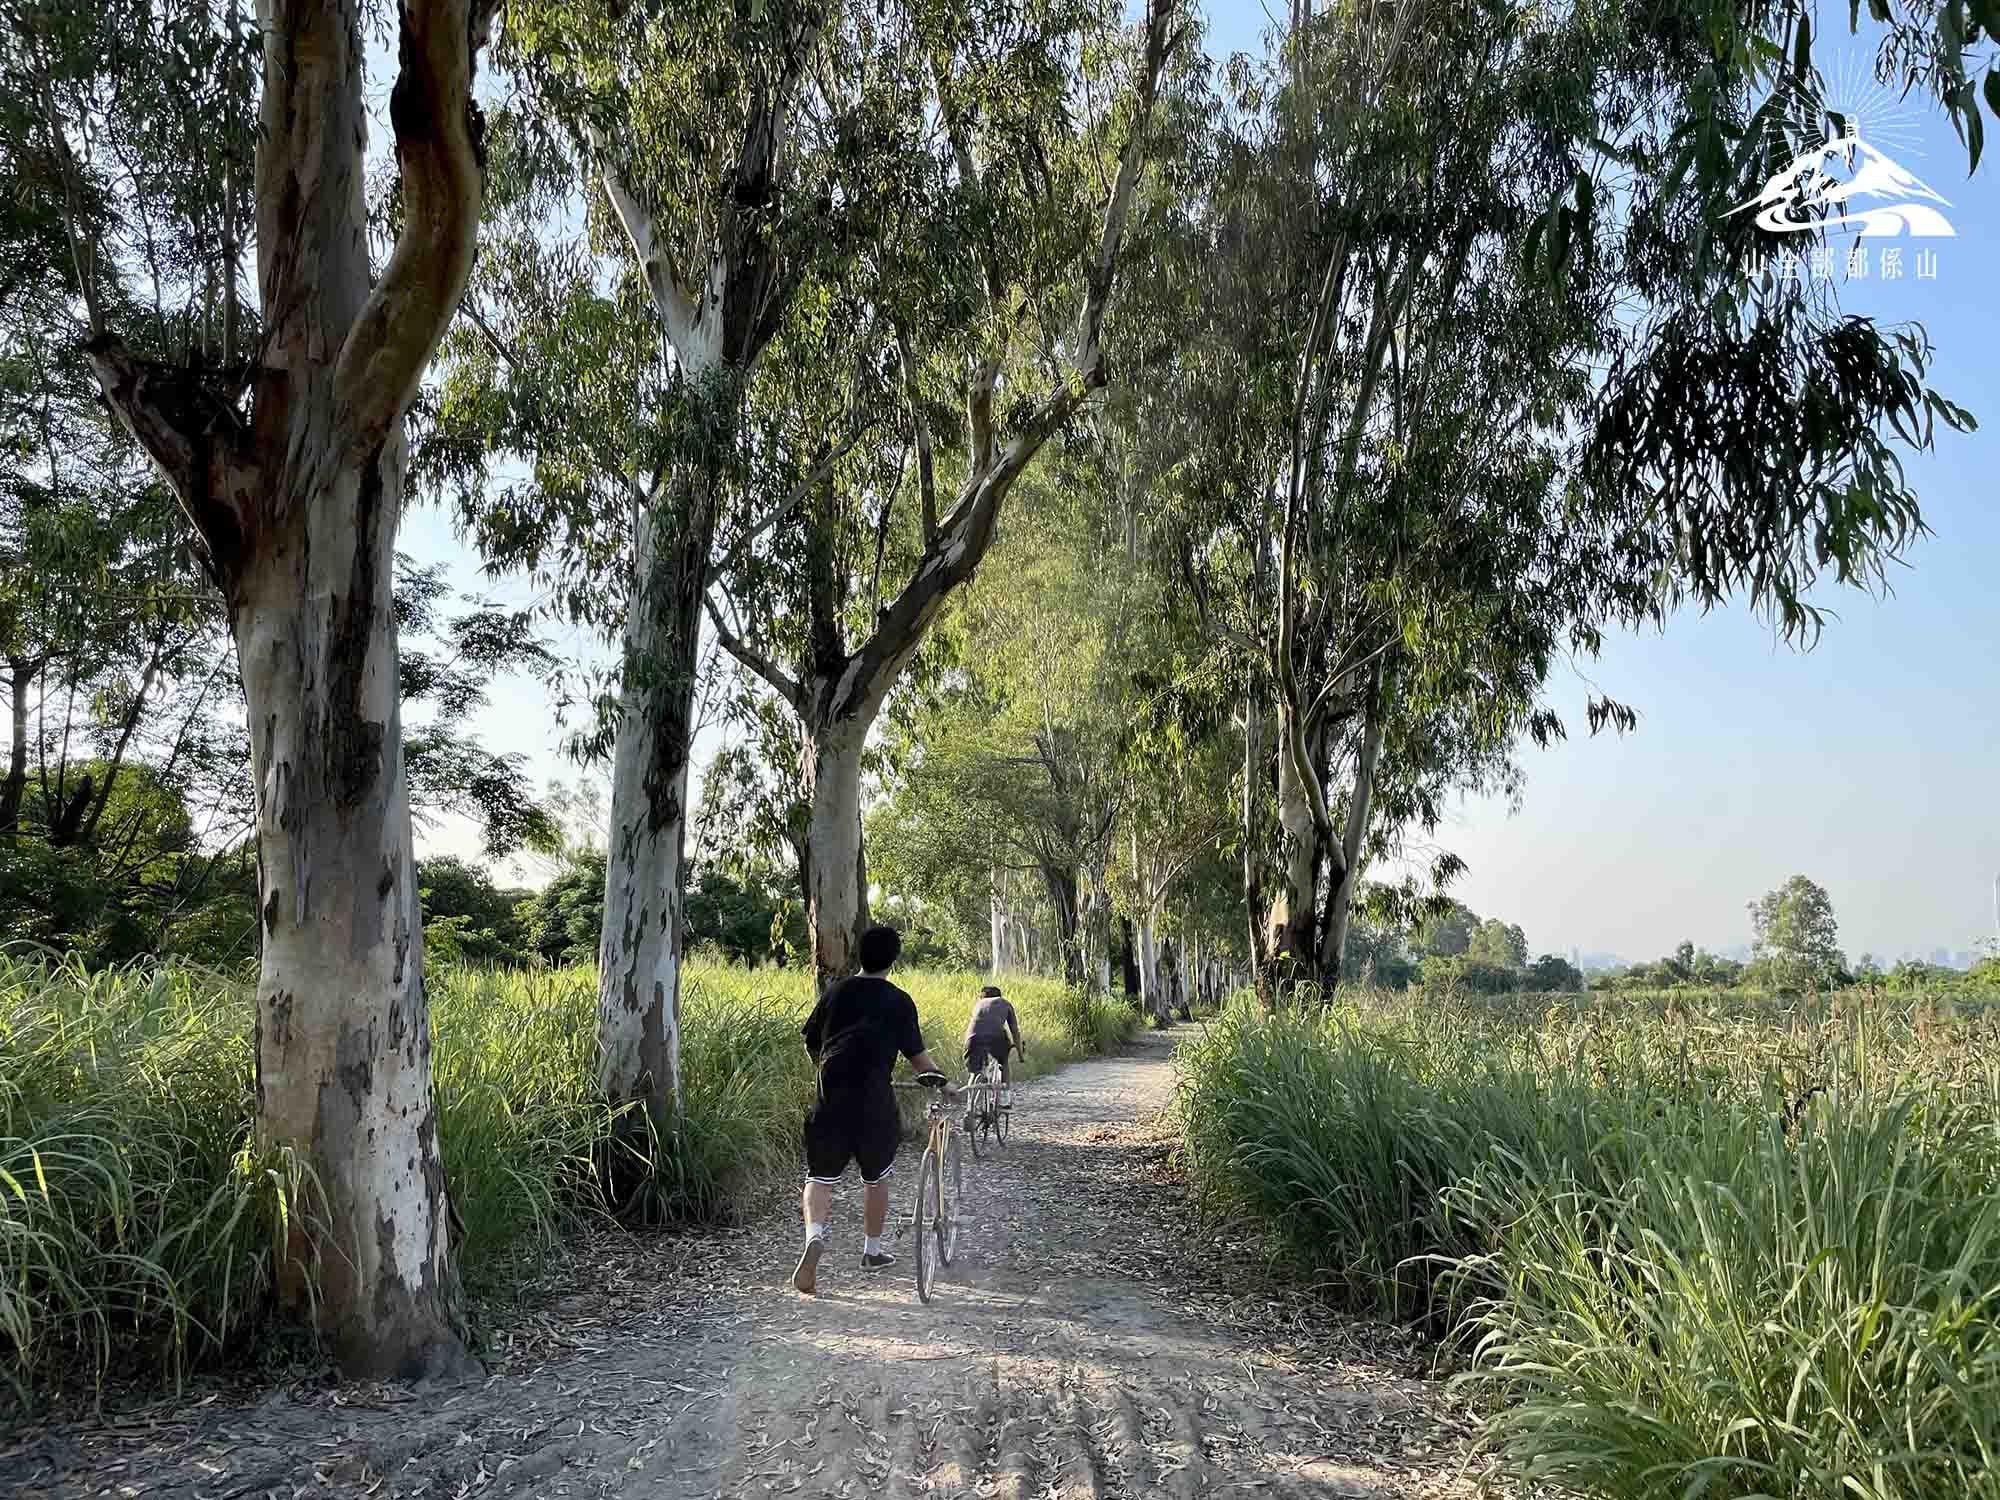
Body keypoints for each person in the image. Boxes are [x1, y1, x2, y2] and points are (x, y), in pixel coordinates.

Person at [793, 924, 947, 1295]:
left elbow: (811, 1044)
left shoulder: (835, 992)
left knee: (819, 1177)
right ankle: (872, 1252)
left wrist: (826, 1069)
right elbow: (920, 1062)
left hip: (830, 1096)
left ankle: (814, 1237)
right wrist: (945, 1083)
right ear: (894, 960)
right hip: (874, 1099)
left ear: (858, 954)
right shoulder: (899, 1000)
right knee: (876, 1178)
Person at [963, 984, 1025, 1100]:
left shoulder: (978, 1004)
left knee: (974, 1072)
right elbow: (1015, 1031)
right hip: (996, 1038)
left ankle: (969, 1104)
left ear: (982, 996)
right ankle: (1005, 1097)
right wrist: (1020, 1055)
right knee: (1003, 1063)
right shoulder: (1005, 1003)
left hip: (973, 1038)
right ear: (999, 996)